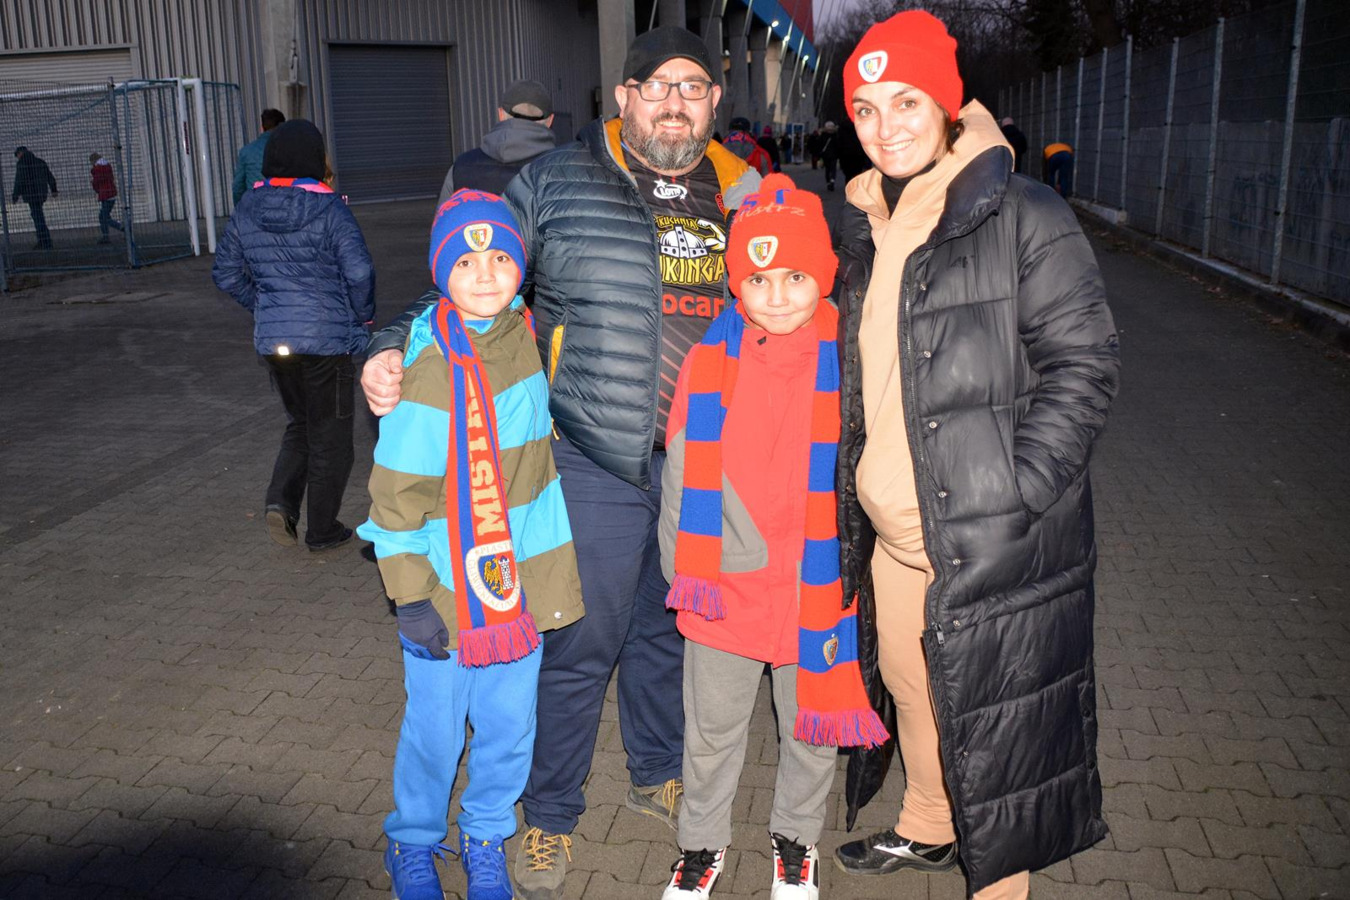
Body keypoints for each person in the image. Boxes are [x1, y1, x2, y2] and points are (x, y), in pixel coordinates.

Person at [358, 25, 761, 900]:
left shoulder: (741, 191)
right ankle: (546, 814)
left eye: (693, 87)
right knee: (580, 640)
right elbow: (472, 275)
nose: (675, 103)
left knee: (668, 630)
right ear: (624, 97)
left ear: (714, 103)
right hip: (593, 453)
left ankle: (656, 771)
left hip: (702, 459)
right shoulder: (558, 180)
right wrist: (389, 346)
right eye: (657, 86)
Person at [830, 11, 1119, 899]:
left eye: (906, 101)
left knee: (995, 728)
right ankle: (927, 827)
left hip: (988, 537)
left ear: (947, 105)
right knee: (913, 687)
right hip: (894, 535)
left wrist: (1012, 495)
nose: (886, 126)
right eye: (867, 108)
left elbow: (1086, 365)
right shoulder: (870, 223)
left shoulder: (1022, 211)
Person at [657, 172, 887, 900]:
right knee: (711, 732)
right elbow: (679, 473)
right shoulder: (707, 362)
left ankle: (796, 838)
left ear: (822, 276)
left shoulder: (853, 359)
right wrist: (685, 571)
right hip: (726, 582)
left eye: (795, 276)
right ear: (737, 284)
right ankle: (701, 844)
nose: (778, 295)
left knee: (811, 729)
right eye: (758, 279)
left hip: (817, 587)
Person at [359, 189, 584, 900]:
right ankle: (413, 840)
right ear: (440, 272)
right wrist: (409, 598)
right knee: (435, 733)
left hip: (521, 585)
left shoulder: (528, 334)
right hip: (444, 591)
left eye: (499, 259)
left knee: (509, 729)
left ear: (522, 268)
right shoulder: (430, 365)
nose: (485, 275)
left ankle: (485, 835)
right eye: (464, 262)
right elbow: (396, 495)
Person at [212, 119, 375, 552]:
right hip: (327, 342)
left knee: (300, 424)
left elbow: (225, 273)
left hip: (277, 344)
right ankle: (322, 530)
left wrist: (265, 306)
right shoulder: (330, 209)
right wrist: (363, 319)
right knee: (331, 439)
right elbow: (359, 271)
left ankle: (281, 504)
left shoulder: (248, 207)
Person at [436, 79, 558, 207]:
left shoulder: (460, 167)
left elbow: (443, 218)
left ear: (501, 114)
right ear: (550, 121)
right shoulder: (563, 170)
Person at [232, 108, 286, 204]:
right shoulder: (288, 149)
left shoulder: (246, 151)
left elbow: (237, 187)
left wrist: (241, 207)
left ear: (262, 128)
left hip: (255, 205)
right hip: (283, 205)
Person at [12, 146, 56, 249]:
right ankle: (44, 240)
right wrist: (53, 189)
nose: (17, 157)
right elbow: (49, 176)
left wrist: (15, 195)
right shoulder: (40, 162)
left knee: (37, 217)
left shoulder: (22, 164)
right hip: (41, 193)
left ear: (20, 153)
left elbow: (19, 180)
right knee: (38, 215)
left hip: (30, 194)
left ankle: (45, 241)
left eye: (17, 155)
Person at [88, 152, 123, 244]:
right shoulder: (107, 166)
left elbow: (97, 182)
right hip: (111, 193)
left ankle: (119, 228)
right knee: (104, 215)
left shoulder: (96, 169)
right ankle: (110, 233)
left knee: (103, 217)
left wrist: (93, 184)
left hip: (105, 195)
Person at [818, 122, 839, 191]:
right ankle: (832, 180)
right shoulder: (835, 136)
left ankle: (828, 182)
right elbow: (838, 145)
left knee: (827, 169)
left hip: (825, 155)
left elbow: (820, 145)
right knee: (833, 169)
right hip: (834, 155)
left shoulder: (823, 135)